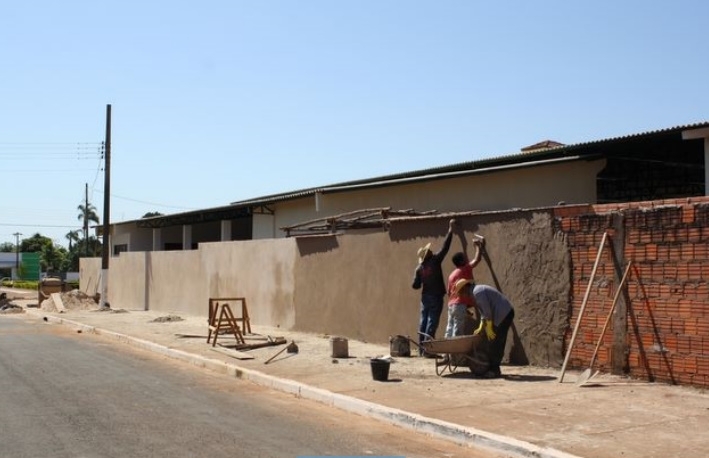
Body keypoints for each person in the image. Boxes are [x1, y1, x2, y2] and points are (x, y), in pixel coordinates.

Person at [412, 218, 455, 356]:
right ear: (428, 254)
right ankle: (428, 351)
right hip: (436, 296)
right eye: (428, 250)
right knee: (432, 322)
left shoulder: (419, 268)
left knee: (423, 322)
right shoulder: (435, 261)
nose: (430, 250)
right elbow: (445, 247)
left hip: (425, 297)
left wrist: (422, 279)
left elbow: (415, 285)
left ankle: (421, 349)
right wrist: (450, 230)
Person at [470, 284, 515, 378]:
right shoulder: (477, 292)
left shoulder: (478, 292)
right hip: (502, 314)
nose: (464, 296)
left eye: (463, 293)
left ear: (466, 289)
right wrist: (481, 326)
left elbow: (487, 311)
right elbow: (483, 313)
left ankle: (494, 370)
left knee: (497, 342)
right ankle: (491, 368)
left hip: (504, 314)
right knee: (494, 341)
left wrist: (489, 327)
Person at [445, 237, 484, 338]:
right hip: (459, 305)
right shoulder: (465, 269)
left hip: (451, 305)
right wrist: (478, 246)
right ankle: (455, 353)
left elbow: (449, 293)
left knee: (449, 328)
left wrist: (464, 308)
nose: (466, 259)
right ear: (461, 261)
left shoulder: (451, 275)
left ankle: (446, 352)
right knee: (458, 330)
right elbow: (477, 260)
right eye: (464, 258)